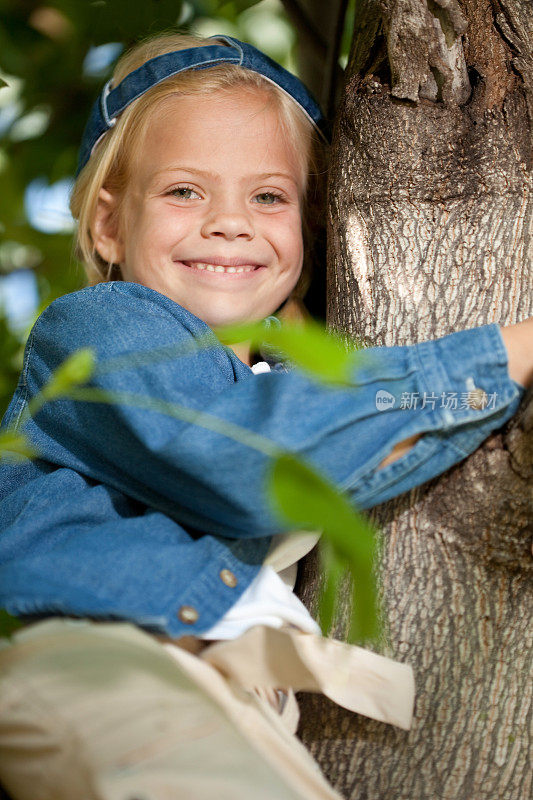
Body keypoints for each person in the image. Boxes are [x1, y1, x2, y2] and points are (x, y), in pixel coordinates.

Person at [0, 31, 531, 800]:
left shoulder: (289, 374)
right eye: (184, 190)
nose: (228, 222)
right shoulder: (102, 330)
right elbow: (244, 454)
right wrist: (504, 354)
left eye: (268, 196)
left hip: (216, 703)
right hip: (102, 671)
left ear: (312, 230)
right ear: (110, 225)